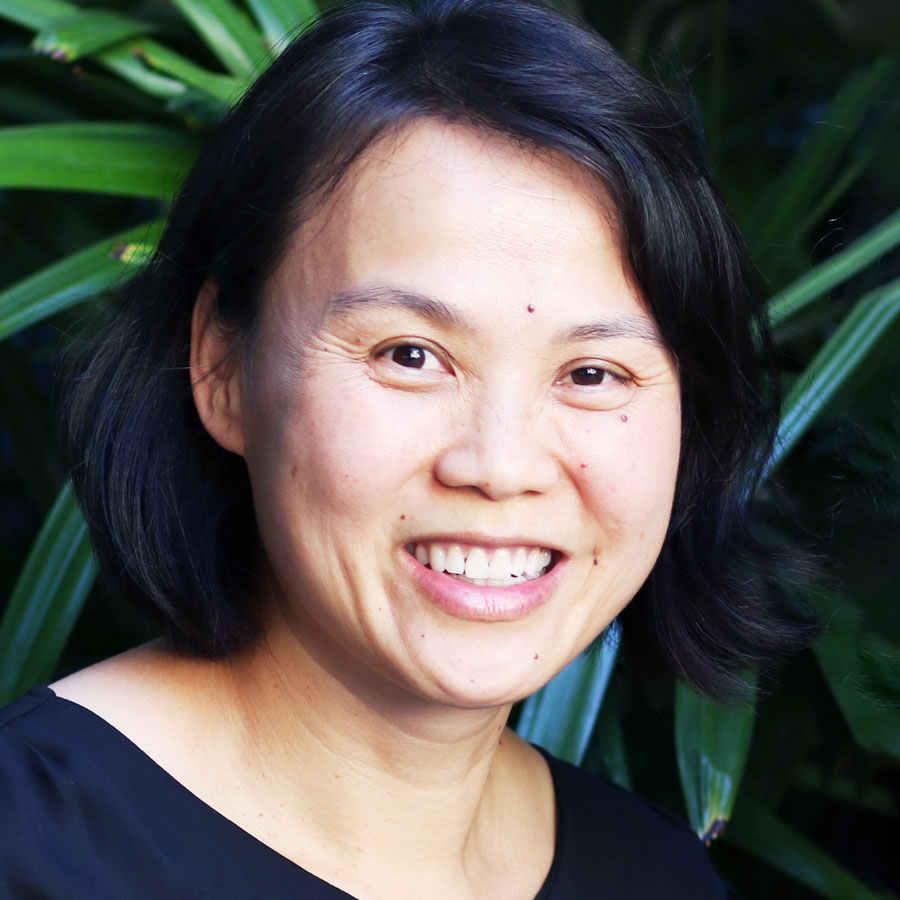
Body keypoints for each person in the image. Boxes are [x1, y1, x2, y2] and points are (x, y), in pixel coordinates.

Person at [0, 0, 813, 896]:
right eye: (410, 356)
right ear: (223, 365)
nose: (501, 466)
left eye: (592, 374)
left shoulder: (658, 878)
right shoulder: (29, 847)